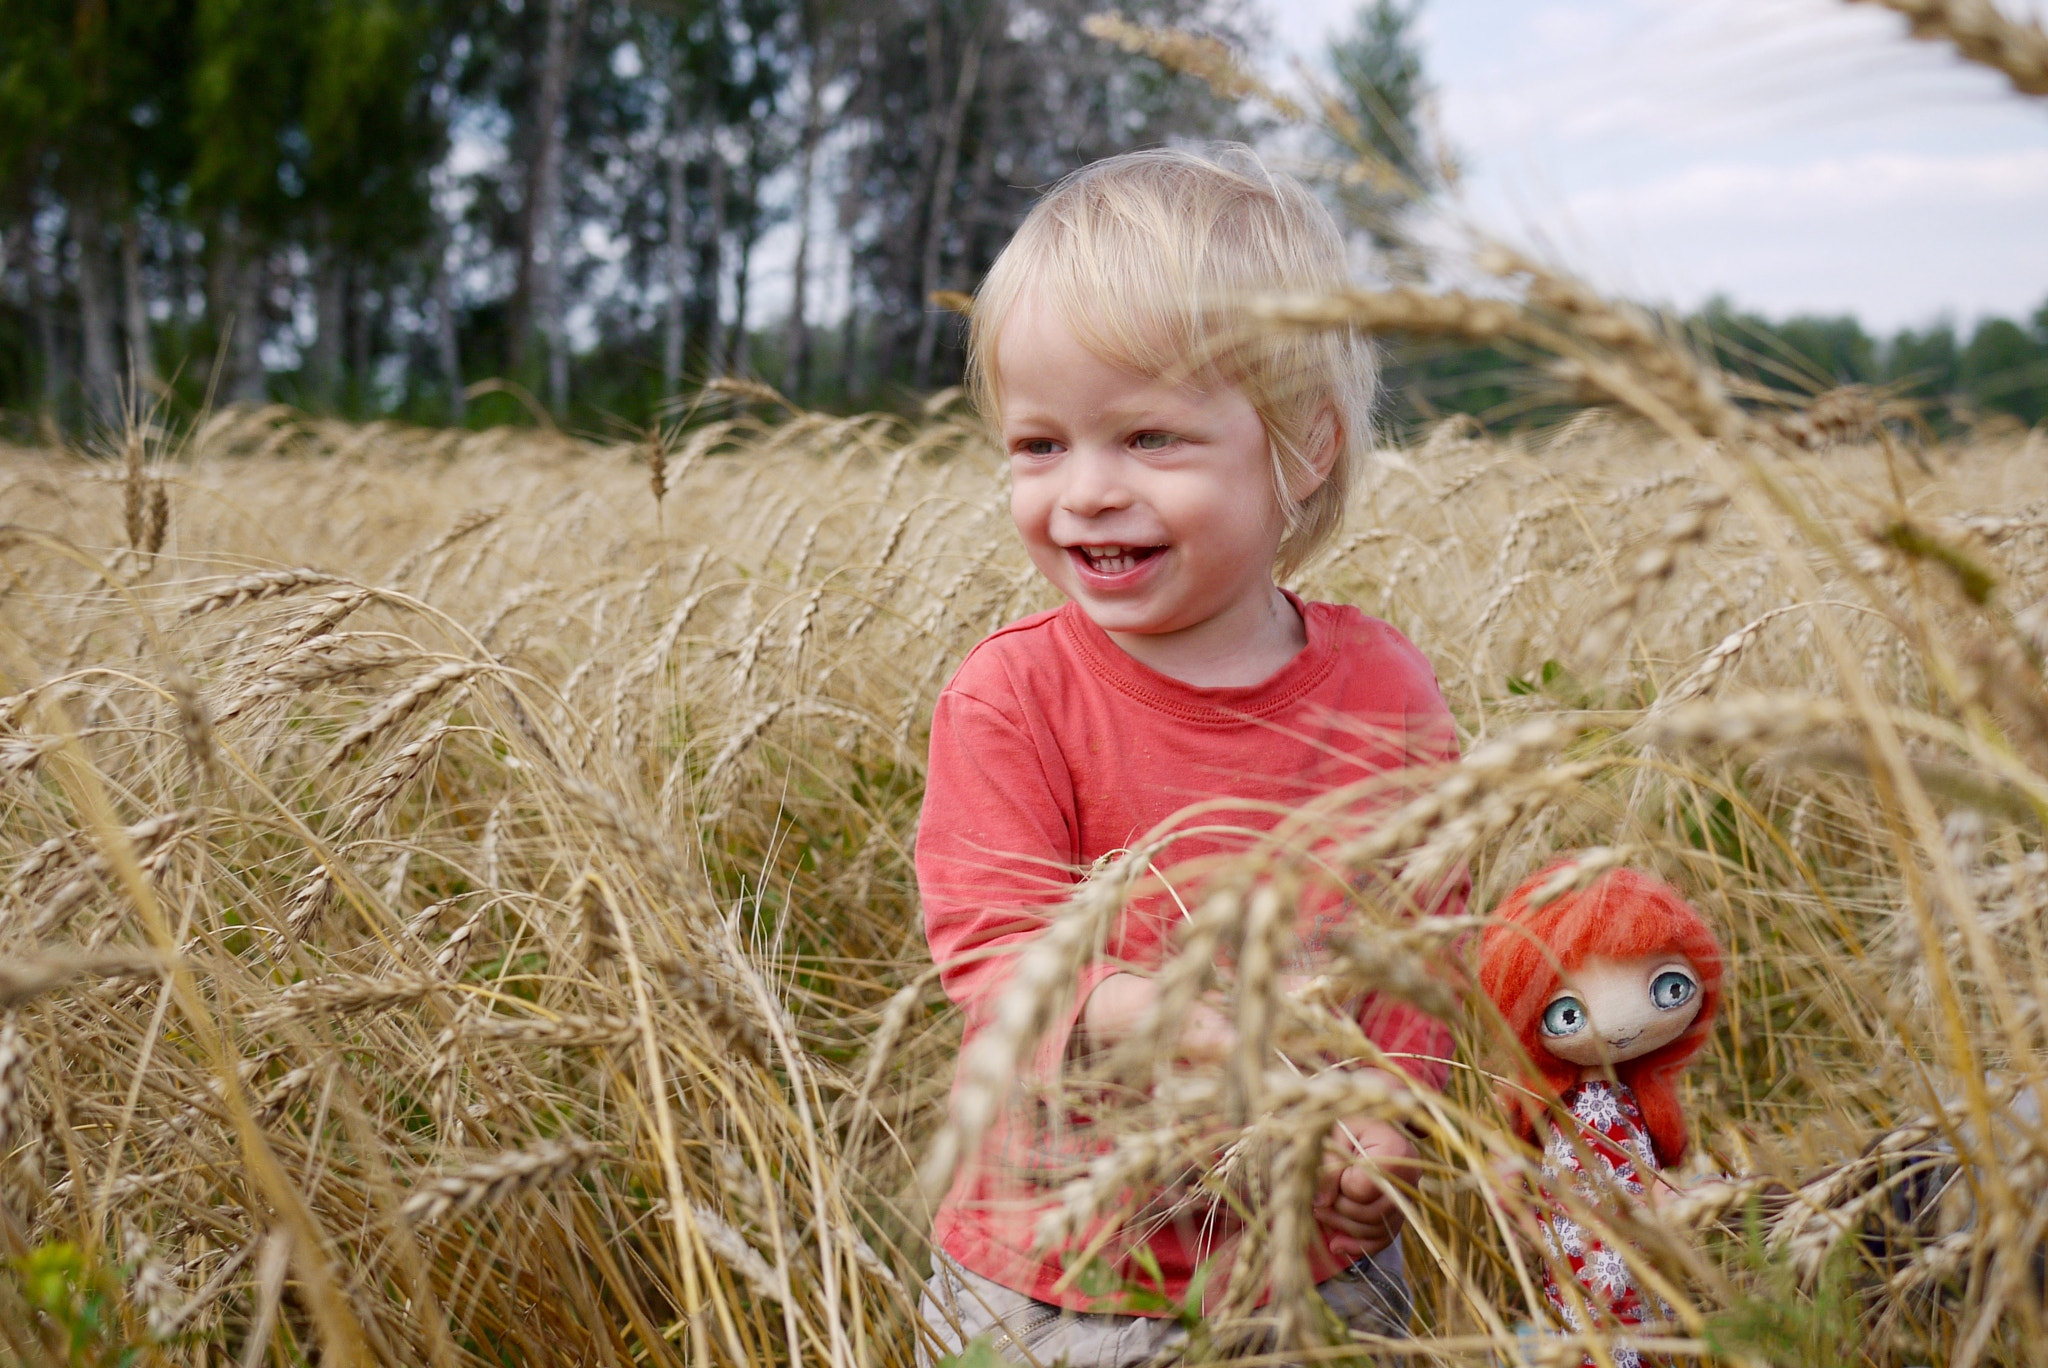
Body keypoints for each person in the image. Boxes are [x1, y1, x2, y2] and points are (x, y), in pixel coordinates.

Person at [916, 144, 1465, 1365]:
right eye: (1039, 445)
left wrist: (1385, 1128)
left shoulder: (1384, 692)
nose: (1087, 493)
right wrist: (1191, 1023)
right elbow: (995, 957)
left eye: (1150, 437)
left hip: (1312, 1272)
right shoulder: (1012, 696)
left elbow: (1418, 941)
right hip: (1056, 1280)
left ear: (1302, 446)